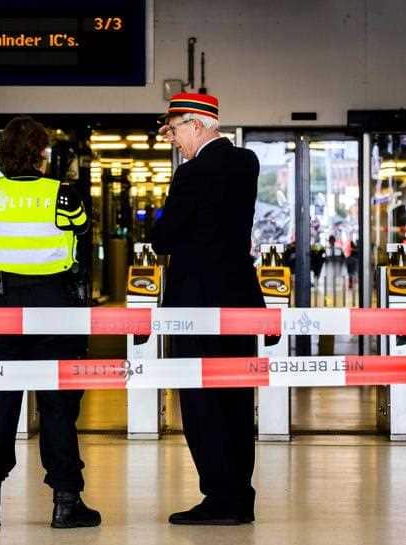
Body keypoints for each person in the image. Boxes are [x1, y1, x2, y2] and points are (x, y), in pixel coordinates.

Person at [0, 116, 100, 529]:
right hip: (54, 309)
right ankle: (65, 502)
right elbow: (82, 233)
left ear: (3, 154)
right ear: (43, 155)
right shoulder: (63, 196)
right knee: (58, 408)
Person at [152, 92, 264, 525]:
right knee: (236, 397)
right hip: (238, 296)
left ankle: (220, 497)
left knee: (201, 402)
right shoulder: (246, 163)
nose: (174, 139)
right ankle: (241, 494)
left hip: (195, 301)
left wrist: (164, 222)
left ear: (197, 124)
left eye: (176, 129)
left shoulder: (192, 174)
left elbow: (164, 238)